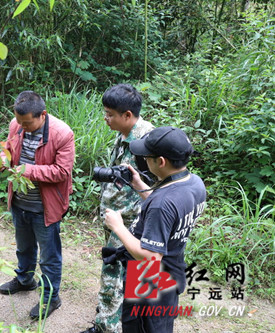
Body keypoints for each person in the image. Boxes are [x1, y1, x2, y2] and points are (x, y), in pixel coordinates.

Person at [104, 126, 207, 332]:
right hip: (172, 270)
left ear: (161, 161)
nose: (144, 160)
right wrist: (139, 183)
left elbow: (151, 257)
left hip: (148, 279)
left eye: (146, 157)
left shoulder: (163, 202)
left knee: (140, 327)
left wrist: (118, 226)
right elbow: (169, 213)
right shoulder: (194, 184)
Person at [82, 84, 154, 333]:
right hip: (116, 215)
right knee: (119, 272)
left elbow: (155, 184)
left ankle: (106, 328)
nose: (106, 119)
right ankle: (112, 318)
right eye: (105, 113)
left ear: (127, 115)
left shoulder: (146, 141)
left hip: (128, 221)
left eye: (110, 114)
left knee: (112, 273)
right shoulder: (126, 133)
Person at [0, 90, 75, 320]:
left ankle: (51, 297)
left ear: (43, 115)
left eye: (27, 123)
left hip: (46, 207)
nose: (22, 127)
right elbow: (8, 148)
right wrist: (3, 157)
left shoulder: (62, 134)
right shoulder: (17, 124)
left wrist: (26, 170)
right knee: (24, 247)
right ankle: (25, 280)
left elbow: (62, 171)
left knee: (49, 256)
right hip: (20, 202)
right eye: (19, 122)